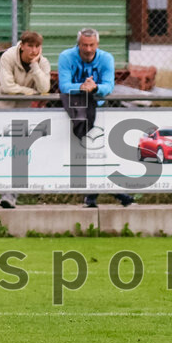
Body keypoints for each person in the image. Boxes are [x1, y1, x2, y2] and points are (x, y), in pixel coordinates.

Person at [58, 27, 134, 208]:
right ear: (78, 44)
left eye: (92, 45)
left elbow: (109, 86)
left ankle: (98, 193)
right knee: (87, 153)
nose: (88, 49)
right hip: (77, 108)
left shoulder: (106, 58)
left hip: (100, 108)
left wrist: (95, 88)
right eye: (84, 45)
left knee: (103, 153)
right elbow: (64, 86)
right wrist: (84, 87)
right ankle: (102, 193)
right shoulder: (66, 57)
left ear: (97, 45)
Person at [0, 31, 51, 209]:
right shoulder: (8, 57)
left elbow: (45, 88)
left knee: (19, 155)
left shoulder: (42, 62)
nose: (33, 50)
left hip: (22, 115)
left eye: (37, 46)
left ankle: (9, 195)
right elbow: (7, 88)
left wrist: (35, 67)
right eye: (30, 46)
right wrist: (31, 92)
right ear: (22, 45)